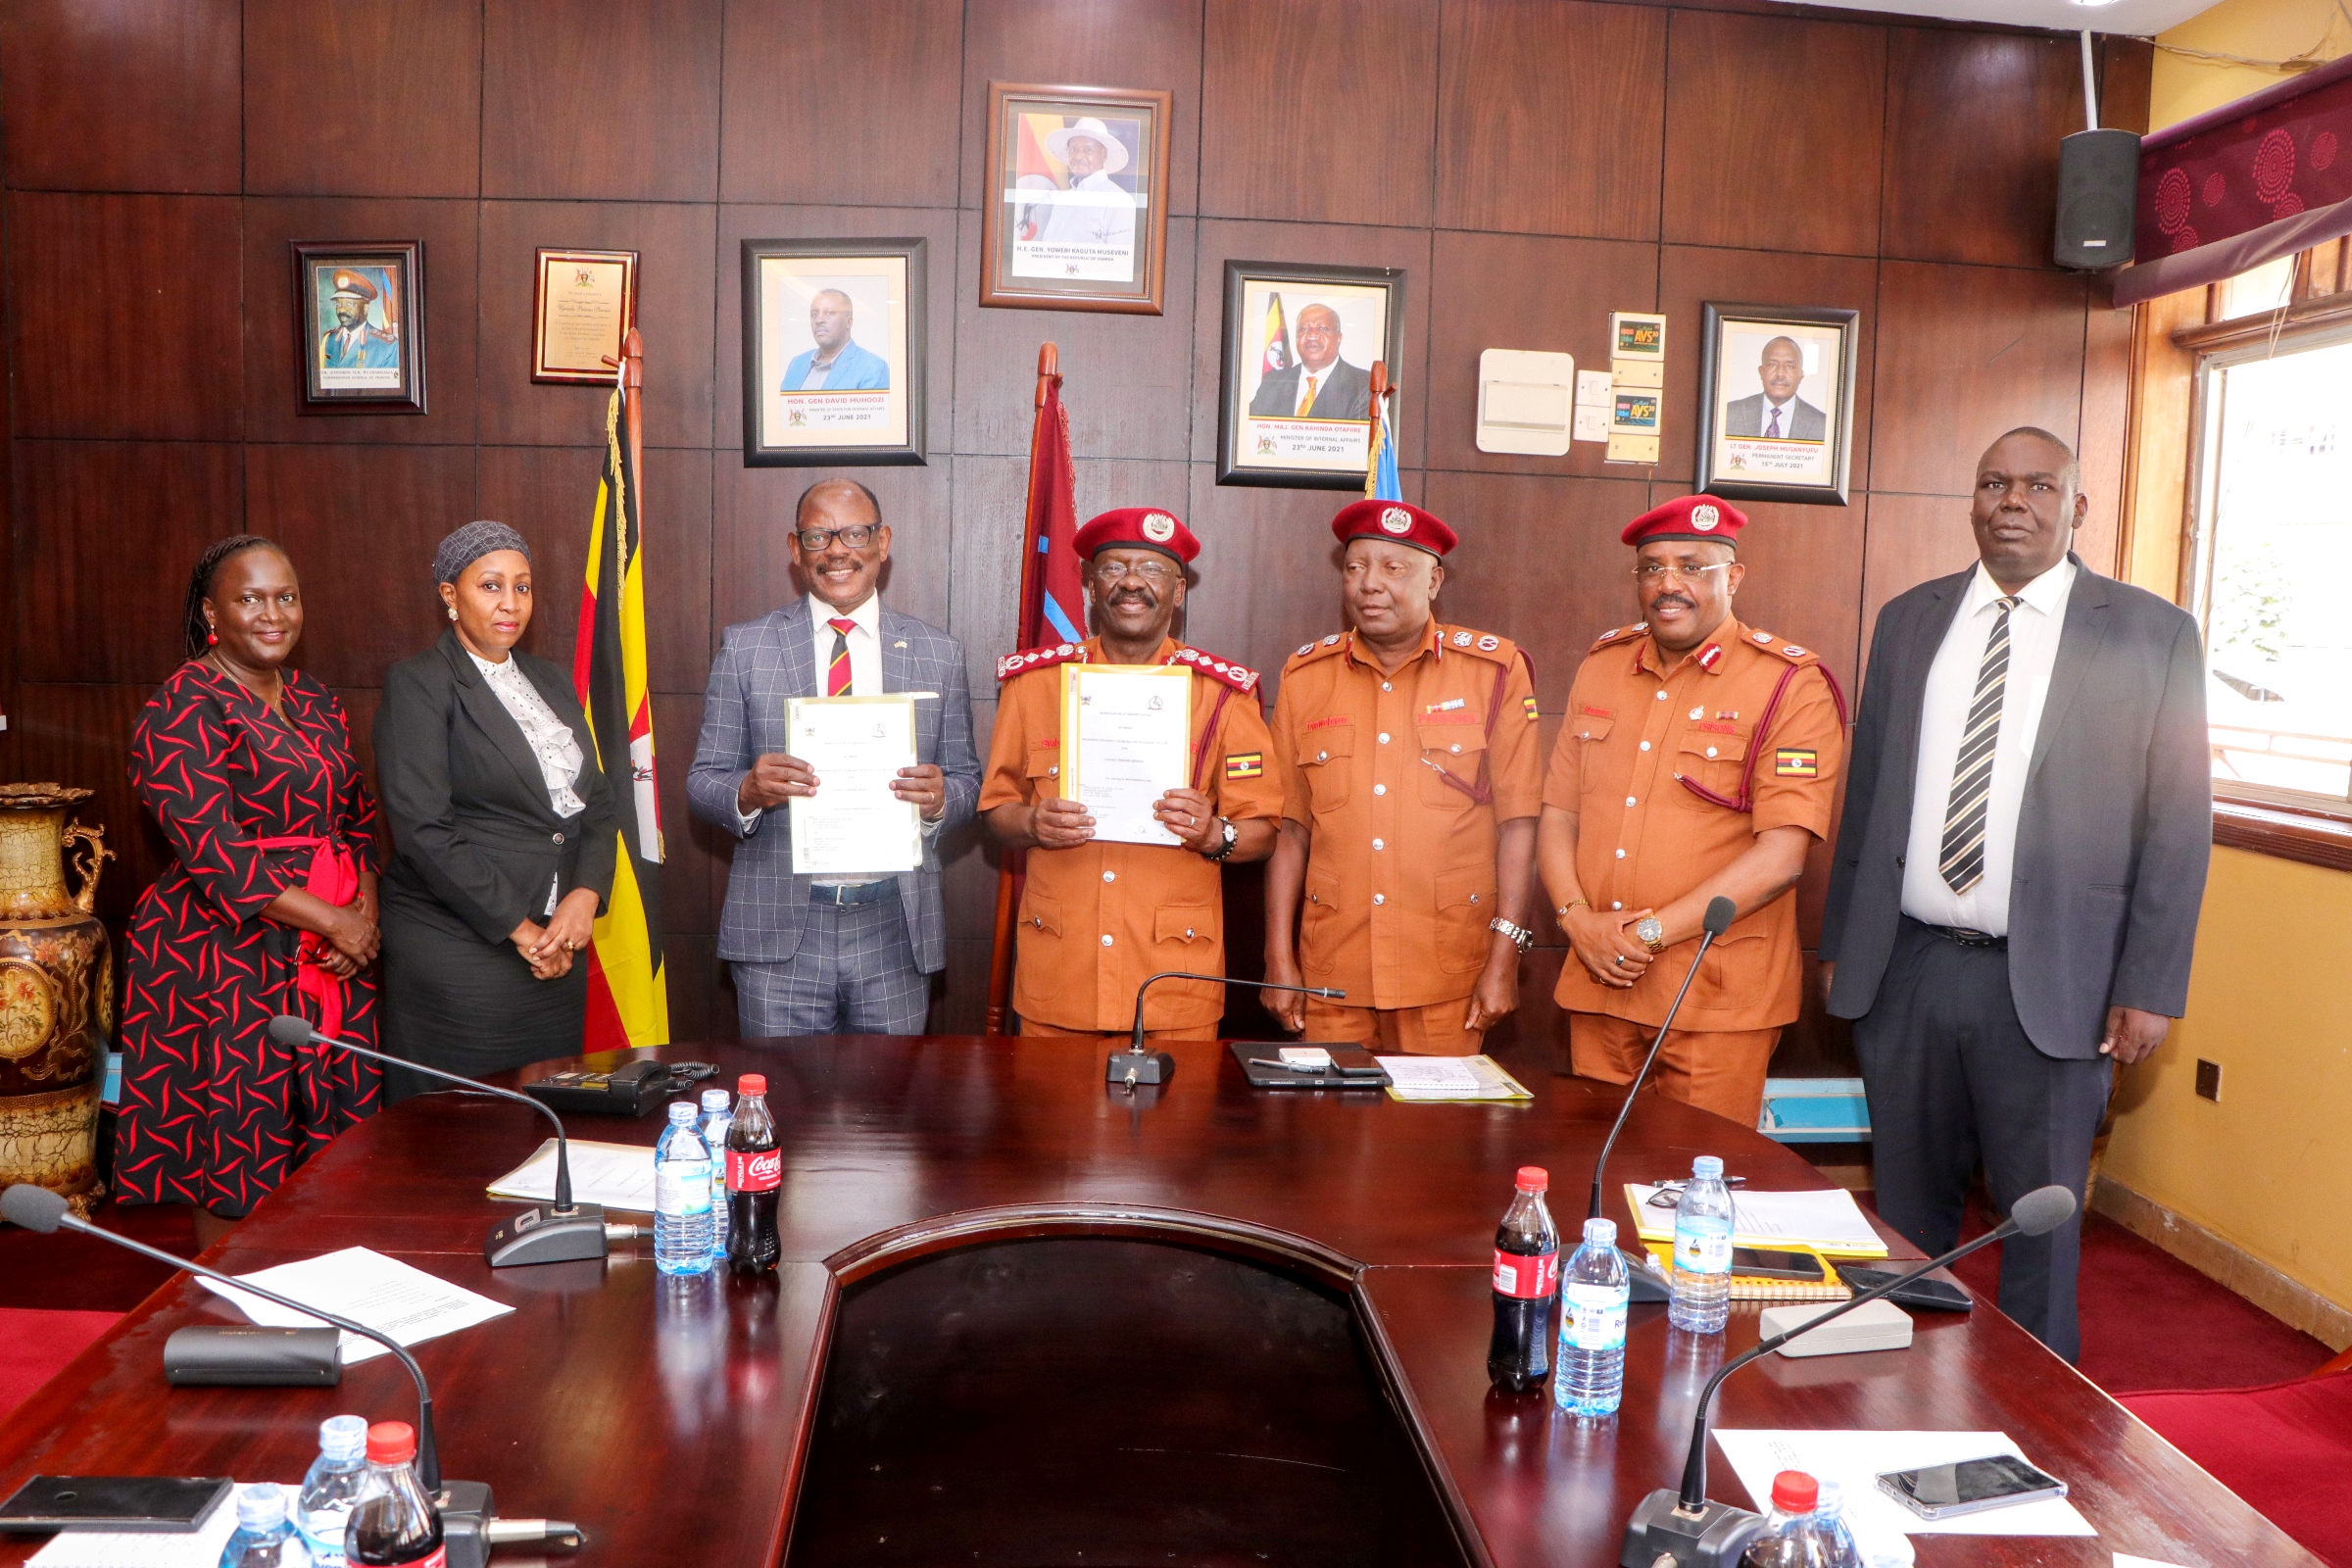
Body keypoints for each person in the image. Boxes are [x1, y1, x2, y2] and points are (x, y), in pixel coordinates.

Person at [1821, 427, 2211, 1362]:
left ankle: (2036, 1422)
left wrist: (2150, 984)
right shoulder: (1911, 619)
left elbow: (2177, 822)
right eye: (1993, 482)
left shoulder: (2150, 631)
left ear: (2077, 507)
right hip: (1908, 966)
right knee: (1906, 1220)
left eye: (2039, 485)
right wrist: (1844, 940)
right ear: (1971, 501)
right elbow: (1867, 791)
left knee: (2039, 1221)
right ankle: (1896, 1399)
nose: (2013, 501)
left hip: (2055, 980)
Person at [1538, 497, 1846, 1127]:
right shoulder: (1601, 667)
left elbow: (1783, 856)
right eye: (1652, 568)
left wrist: (1643, 935)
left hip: (1716, 997)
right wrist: (1576, 922)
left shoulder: (1790, 683)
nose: (1669, 584)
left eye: (1693, 566)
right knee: (1593, 1186)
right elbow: (1558, 815)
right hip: (1602, 981)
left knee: (1696, 1190)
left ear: (1733, 577)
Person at [114, 536, 382, 1241]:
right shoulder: (179, 708)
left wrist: (362, 917)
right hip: (224, 956)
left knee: (334, 1154)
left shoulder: (318, 701)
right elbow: (219, 856)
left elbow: (357, 820)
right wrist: (337, 924)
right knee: (233, 1150)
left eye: (286, 597)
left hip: (328, 959)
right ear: (212, 611)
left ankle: (323, 1300)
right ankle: (227, 1315)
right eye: (251, 598)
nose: (273, 614)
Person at [688, 479, 978, 1035]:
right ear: (796, 550)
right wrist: (747, 790)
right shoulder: (746, 648)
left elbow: (968, 779)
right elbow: (703, 781)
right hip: (780, 927)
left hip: (895, 923)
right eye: (819, 536)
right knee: (781, 1111)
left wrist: (942, 800)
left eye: (854, 533)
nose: (837, 550)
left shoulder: (938, 653)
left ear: (882, 542)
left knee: (890, 1112)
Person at [982, 508, 1281, 1040]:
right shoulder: (1033, 686)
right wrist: (1031, 823)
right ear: (1090, 585)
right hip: (1060, 976)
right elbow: (995, 812)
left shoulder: (1224, 696)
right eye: (1114, 567)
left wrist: (1215, 834)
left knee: (1174, 1124)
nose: (1133, 582)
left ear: (1180, 591)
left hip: (1172, 982)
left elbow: (1263, 832)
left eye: (1153, 569)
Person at [1261, 500, 1543, 1054]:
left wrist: (1504, 960)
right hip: (1333, 972)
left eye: (1394, 568)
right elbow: (1288, 830)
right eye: (1356, 567)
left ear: (1434, 580)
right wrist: (1278, 959)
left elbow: (1520, 828)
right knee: (1331, 1135)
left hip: (1448, 974)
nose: (1369, 585)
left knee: (1438, 1137)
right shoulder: (1305, 677)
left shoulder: (1494, 671)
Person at [371, 523, 616, 1097]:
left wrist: (584, 898)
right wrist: (524, 930)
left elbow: (596, 804)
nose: (511, 603)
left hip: (555, 946)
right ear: (450, 595)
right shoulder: (420, 684)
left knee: (545, 1116)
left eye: (523, 587)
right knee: (461, 1131)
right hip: (460, 947)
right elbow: (425, 832)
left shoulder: (551, 681)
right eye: (490, 585)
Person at [1015, 116, 1139, 256]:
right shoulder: (1063, 199)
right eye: (1073, 149)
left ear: (1104, 154)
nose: (1078, 156)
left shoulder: (1120, 201)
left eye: (1087, 150)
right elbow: (1047, 252)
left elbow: (1119, 264)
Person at [1249, 304, 1373, 421]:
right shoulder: (1273, 381)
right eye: (1304, 329)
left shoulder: (1363, 384)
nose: (1312, 335)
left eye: (1323, 328)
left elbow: (1360, 441)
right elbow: (1250, 431)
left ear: (1339, 338)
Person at [781, 289, 890, 393]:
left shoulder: (872, 367)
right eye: (814, 314)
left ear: (849, 322)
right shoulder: (797, 363)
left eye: (829, 313)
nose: (819, 320)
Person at [1723, 335, 1825, 442]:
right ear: (1761, 372)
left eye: (1789, 366)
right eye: (1772, 365)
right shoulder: (1728, 414)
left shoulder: (1822, 425)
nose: (1780, 374)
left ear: (1801, 375)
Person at [319, 269, 399, 371]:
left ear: (365, 308)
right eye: (339, 303)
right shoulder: (329, 339)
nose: (342, 309)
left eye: (349, 304)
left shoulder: (387, 346)